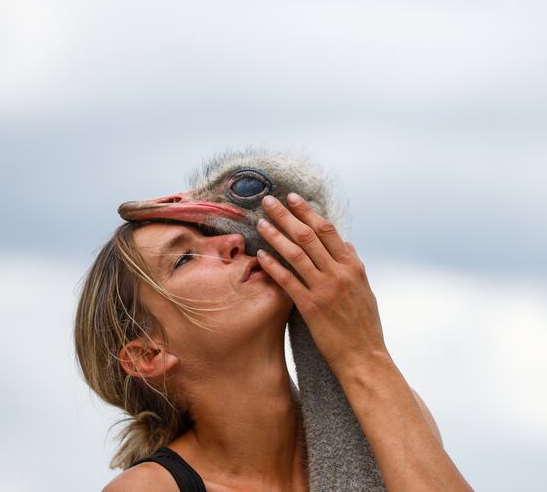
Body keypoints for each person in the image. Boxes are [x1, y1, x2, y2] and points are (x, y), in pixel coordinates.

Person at [75, 193, 472, 491]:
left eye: (216, 236)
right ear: (149, 353)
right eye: (185, 259)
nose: (233, 243)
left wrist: (364, 354)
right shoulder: (151, 489)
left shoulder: (389, 418)